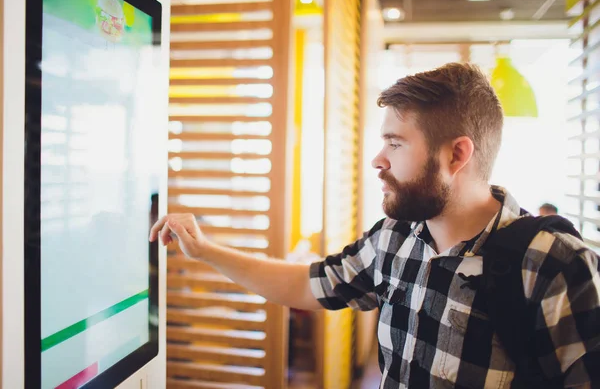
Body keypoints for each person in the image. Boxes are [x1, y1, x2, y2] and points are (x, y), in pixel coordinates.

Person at [150, 63, 600, 388]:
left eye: (395, 142)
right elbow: (308, 285)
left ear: (457, 155)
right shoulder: (395, 239)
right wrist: (205, 249)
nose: (377, 160)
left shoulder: (557, 266)